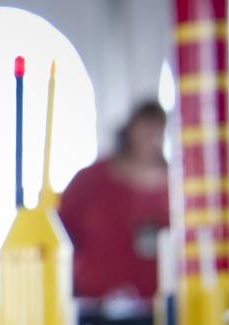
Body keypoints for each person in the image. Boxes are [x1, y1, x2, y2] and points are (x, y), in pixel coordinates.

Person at [59, 101, 170, 302]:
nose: (150, 137)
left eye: (157, 129)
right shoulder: (91, 181)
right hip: (96, 309)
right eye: (145, 127)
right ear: (130, 130)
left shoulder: (179, 186)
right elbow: (58, 232)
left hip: (160, 308)